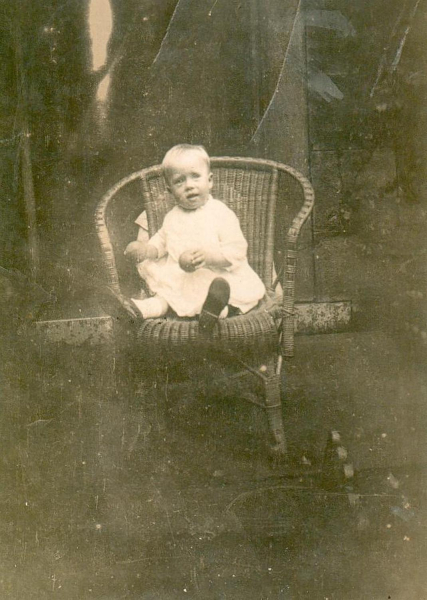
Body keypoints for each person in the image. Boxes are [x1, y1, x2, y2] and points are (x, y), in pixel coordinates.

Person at [107, 144, 265, 334]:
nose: (189, 185)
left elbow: (236, 250)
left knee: (222, 292)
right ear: (169, 190)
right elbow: (161, 242)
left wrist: (207, 257)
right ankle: (139, 310)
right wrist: (146, 249)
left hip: (218, 276)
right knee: (166, 296)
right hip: (183, 281)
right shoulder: (172, 217)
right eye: (179, 181)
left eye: (195, 176)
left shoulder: (221, 213)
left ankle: (215, 311)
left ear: (210, 180)